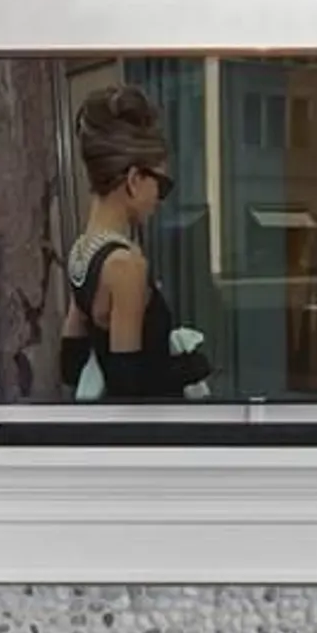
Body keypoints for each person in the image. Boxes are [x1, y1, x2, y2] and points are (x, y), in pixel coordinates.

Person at [56, 82, 213, 401]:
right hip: (152, 436)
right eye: (162, 185)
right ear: (134, 180)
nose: (160, 198)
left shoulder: (81, 252)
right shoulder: (126, 265)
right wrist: (189, 367)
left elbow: (70, 364)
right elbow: (128, 387)